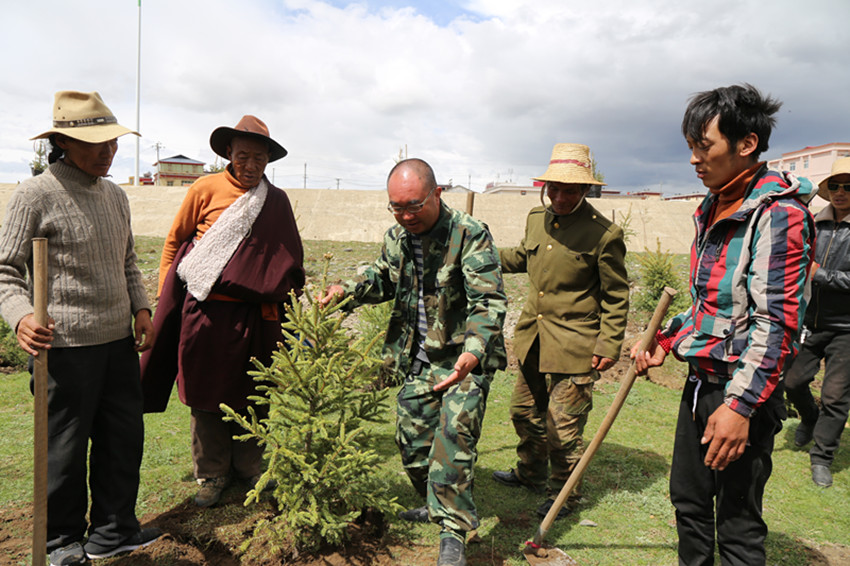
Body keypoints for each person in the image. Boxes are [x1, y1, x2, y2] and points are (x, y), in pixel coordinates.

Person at [632, 84, 816, 565]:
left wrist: (740, 407)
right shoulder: (714, 206)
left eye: (704, 146)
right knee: (689, 503)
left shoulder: (779, 215)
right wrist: (666, 339)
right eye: (691, 147)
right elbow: (710, 304)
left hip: (741, 393)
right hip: (701, 384)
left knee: (736, 523)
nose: (694, 159)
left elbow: (776, 324)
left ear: (747, 143)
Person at [0, 91, 161, 565]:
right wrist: (21, 316)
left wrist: (141, 307)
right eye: (96, 143)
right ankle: (60, 542)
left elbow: (127, 260)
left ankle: (113, 531)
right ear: (63, 143)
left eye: (113, 141)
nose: (109, 151)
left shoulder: (116, 196)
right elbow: (5, 270)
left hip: (118, 343)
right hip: (64, 348)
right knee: (64, 450)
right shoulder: (35, 194)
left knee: (122, 441)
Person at [320, 158, 506, 566]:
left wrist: (474, 350)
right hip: (418, 358)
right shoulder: (397, 238)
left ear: (437, 194)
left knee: (454, 440)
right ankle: (435, 501)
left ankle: (453, 532)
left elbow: (488, 300)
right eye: (397, 208)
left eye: (414, 206)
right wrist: (344, 292)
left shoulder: (469, 234)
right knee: (413, 444)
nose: (406, 216)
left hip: (463, 360)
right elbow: (382, 278)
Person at [140, 115, 305, 508]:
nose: (251, 165)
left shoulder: (276, 201)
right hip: (206, 312)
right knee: (205, 391)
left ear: (268, 160)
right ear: (229, 153)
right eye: (243, 156)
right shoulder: (204, 188)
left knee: (255, 391)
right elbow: (175, 243)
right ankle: (212, 473)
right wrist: (167, 297)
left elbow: (288, 260)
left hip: (256, 317)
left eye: (260, 158)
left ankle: (250, 469)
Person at [492, 143, 629, 519]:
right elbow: (524, 256)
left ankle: (564, 494)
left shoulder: (604, 234)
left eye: (570, 190)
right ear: (545, 186)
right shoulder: (536, 217)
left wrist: (609, 344)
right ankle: (531, 473)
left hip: (576, 345)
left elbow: (616, 295)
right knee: (524, 412)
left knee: (562, 427)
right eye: (554, 188)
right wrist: (483, 254)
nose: (560, 197)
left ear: (585, 189)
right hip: (533, 339)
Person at [785, 156, 850, 489]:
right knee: (793, 381)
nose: (840, 192)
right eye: (834, 186)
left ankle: (822, 457)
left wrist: (820, 274)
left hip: (847, 329)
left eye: (848, 187)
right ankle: (809, 417)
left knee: (836, 396)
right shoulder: (814, 223)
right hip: (810, 320)